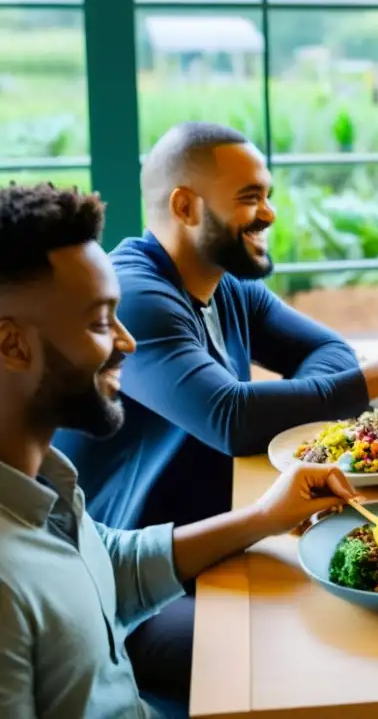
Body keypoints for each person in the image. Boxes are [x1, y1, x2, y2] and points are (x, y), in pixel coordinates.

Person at [51, 122, 378, 705]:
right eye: (251, 197)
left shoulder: (225, 286)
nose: (270, 213)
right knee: (320, 643)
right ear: (185, 206)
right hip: (143, 582)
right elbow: (230, 418)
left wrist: (278, 406)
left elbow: (325, 352)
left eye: (268, 194)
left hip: (219, 532)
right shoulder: (138, 294)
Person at [0, 182, 358, 719]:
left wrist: (264, 516)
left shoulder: (48, 479)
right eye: (100, 321)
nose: (127, 342)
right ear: (12, 345)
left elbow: (112, 566)